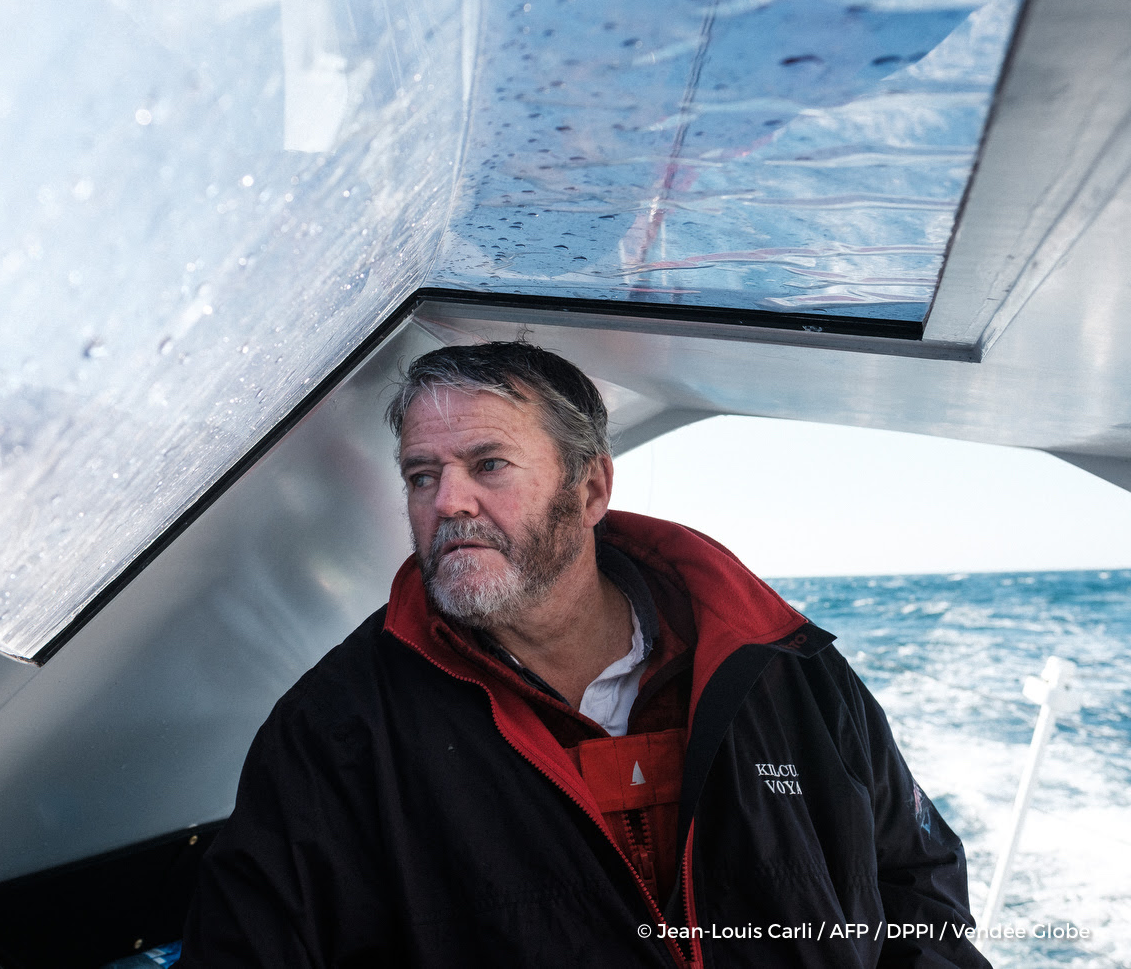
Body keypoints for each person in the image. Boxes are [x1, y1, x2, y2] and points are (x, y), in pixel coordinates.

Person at [181, 341, 986, 968]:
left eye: (488, 464)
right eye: (422, 476)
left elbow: (918, 889)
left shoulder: (786, 670)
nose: (448, 501)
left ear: (592, 488)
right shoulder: (336, 733)